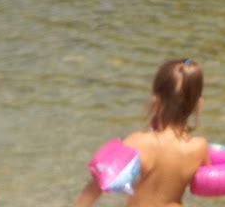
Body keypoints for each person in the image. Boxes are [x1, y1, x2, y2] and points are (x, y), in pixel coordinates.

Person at [68, 59, 209, 207]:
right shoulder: (200, 147)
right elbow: (205, 180)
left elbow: (98, 185)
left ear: (155, 103)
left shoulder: (138, 142)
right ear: (198, 105)